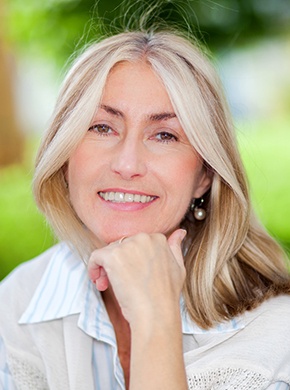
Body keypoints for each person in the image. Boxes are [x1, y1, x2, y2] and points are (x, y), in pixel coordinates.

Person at [1, 27, 290, 390]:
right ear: (65, 158)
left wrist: (155, 322)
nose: (127, 163)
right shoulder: (17, 304)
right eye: (102, 127)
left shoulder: (275, 337)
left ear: (205, 175)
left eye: (165, 135)